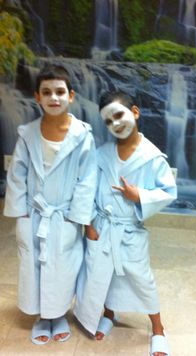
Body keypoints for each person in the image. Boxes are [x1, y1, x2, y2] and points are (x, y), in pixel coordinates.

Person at [73, 90, 177, 356]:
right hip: (102, 225)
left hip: (129, 230)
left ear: (134, 112)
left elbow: (168, 191)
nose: (115, 123)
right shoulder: (102, 153)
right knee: (103, 275)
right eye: (108, 121)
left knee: (141, 279)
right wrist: (89, 225)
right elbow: (88, 188)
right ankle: (109, 313)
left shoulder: (152, 157)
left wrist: (139, 195)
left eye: (119, 115)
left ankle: (158, 329)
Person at [3, 63, 97, 345]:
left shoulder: (82, 136)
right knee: (33, 264)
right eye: (47, 92)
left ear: (71, 96)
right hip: (34, 212)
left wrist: (77, 218)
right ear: (37, 97)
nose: (53, 98)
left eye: (59, 92)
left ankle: (58, 314)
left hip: (64, 214)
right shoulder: (27, 134)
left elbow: (87, 179)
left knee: (64, 264)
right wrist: (20, 213)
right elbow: (17, 174)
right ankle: (42, 316)